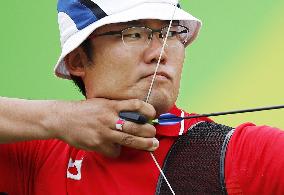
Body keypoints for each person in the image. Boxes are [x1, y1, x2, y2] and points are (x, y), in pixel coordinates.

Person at [0, 0, 284, 194]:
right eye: (134, 33)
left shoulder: (239, 154)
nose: (159, 53)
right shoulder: (42, 154)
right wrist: (58, 118)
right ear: (77, 61)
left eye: (172, 32)